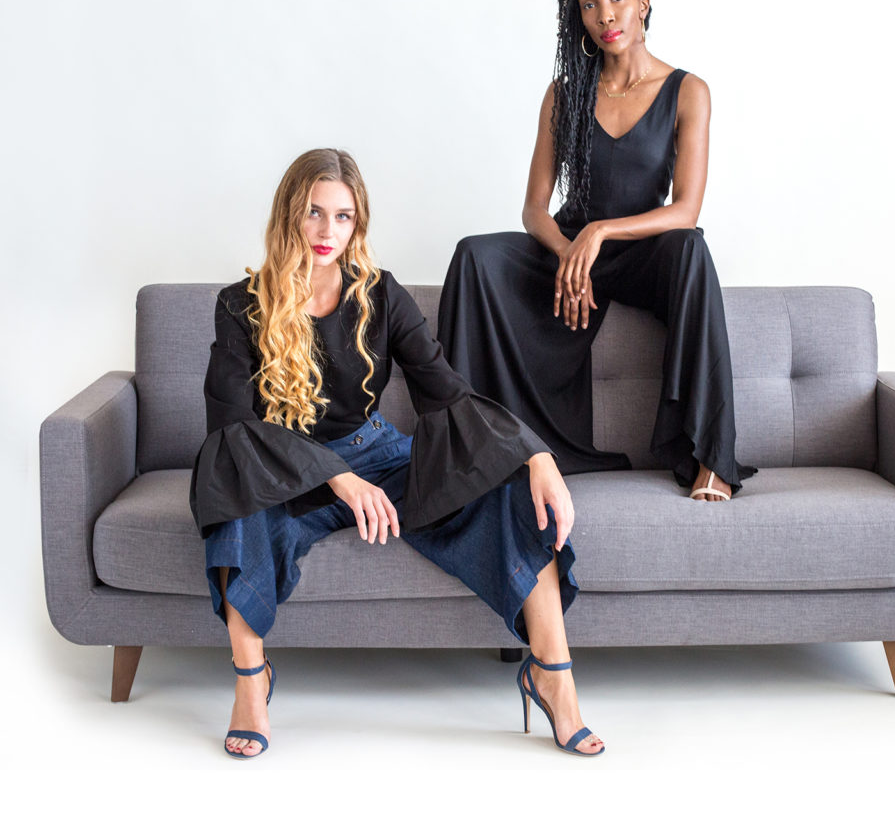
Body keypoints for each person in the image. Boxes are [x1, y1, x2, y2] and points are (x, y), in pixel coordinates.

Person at [190, 148, 604, 759]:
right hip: (285, 469)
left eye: (343, 216)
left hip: (379, 455)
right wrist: (336, 477)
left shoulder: (380, 295)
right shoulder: (240, 305)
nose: (327, 231)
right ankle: (251, 683)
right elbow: (232, 428)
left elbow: (446, 390)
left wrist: (536, 457)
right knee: (230, 491)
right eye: (313, 212)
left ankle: (553, 678)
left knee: (510, 488)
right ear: (288, 214)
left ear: (357, 223)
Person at [438, 0, 754, 502]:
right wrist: (569, 251)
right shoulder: (565, 93)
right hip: (567, 249)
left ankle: (711, 459)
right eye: (589, 5)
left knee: (691, 248)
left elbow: (685, 210)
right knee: (474, 254)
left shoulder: (688, 90)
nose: (604, 13)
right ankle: (474, 450)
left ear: (643, 4)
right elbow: (534, 209)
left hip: (640, 248)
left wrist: (600, 232)